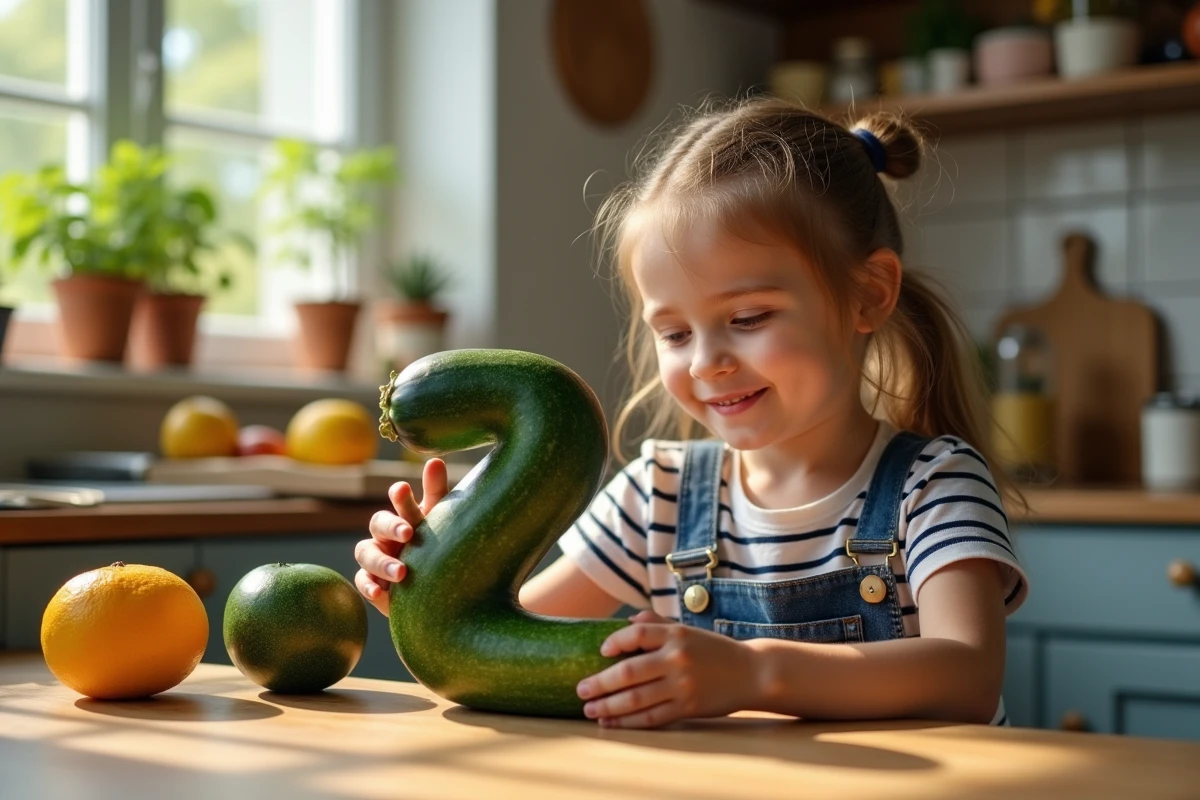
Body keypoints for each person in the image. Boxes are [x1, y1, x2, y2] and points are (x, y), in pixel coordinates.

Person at [354, 97, 1029, 730]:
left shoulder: (934, 484)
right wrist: (431, 583)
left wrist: (755, 672)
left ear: (868, 295)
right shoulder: (660, 498)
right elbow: (498, 638)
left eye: (747, 318)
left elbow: (967, 673)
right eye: (674, 334)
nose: (705, 362)